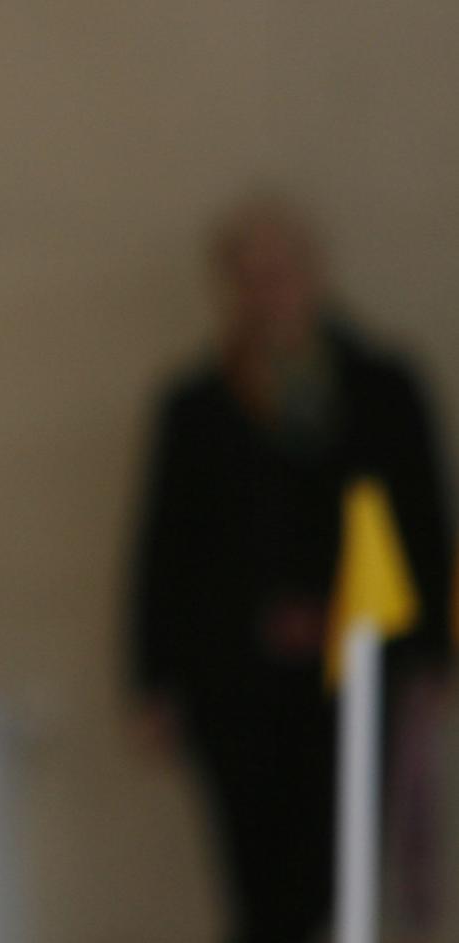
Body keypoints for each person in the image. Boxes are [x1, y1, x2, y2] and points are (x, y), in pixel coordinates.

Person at [128, 195, 452, 943]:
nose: (269, 290)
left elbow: (428, 522)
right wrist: (153, 676)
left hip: (360, 673)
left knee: (343, 866)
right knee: (258, 885)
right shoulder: (196, 407)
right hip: (238, 684)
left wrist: (432, 651)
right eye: (251, 275)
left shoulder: (385, 388)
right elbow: (164, 547)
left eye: (282, 270)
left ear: (313, 272)